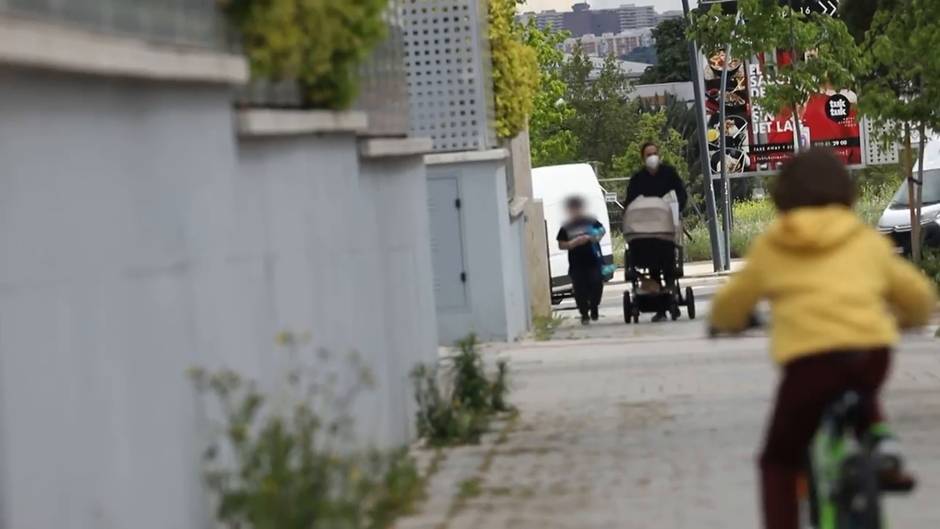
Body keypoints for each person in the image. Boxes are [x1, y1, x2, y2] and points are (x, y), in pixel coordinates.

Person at [709, 148, 938, 529]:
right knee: (861, 391)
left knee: (779, 458)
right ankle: (880, 441)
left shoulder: (774, 243)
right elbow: (917, 296)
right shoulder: (863, 239)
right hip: (870, 353)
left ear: (783, 195)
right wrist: (910, 319)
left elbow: (732, 302)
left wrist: (725, 323)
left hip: (809, 362)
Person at [625, 142, 689, 322]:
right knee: (652, 263)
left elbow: (681, 194)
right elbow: (631, 202)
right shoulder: (638, 179)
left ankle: (669, 293)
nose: (652, 157)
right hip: (644, 231)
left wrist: (677, 209)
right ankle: (661, 304)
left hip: (665, 228)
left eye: (654, 153)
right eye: (648, 154)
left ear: (658, 155)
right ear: (643, 158)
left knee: (667, 259)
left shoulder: (669, 174)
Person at [557, 195, 607, 325]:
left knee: (597, 284)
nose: (575, 212)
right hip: (576, 264)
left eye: (577, 208)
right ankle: (584, 314)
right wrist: (573, 243)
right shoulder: (567, 227)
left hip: (593, 261)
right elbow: (561, 244)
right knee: (579, 290)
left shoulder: (590, 221)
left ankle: (594, 306)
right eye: (572, 209)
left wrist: (591, 238)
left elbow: (602, 231)